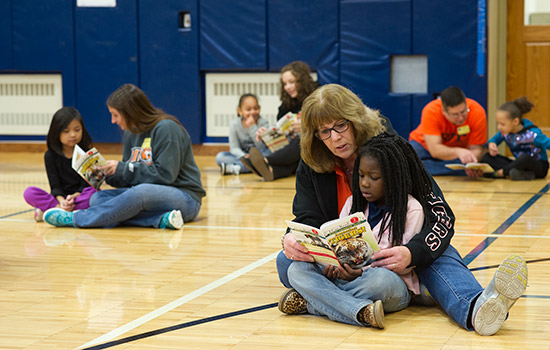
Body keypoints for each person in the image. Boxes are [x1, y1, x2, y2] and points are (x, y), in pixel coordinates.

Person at [277, 84, 528, 336]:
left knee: (433, 253)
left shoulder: (391, 151)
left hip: (395, 258)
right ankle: (358, 308)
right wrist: (291, 239)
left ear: (355, 119)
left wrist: (412, 252)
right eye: (324, 131)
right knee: (286, 261)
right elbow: (306, 218)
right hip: (343, 266)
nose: (335, 138)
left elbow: (440, 216)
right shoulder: (313, 161)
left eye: (341, 125)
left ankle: (475, 308)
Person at [280, 133, 432, 328]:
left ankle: (312, 303)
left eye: (373, 177)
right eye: (360, 175)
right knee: (297, 270)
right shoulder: (353, 203)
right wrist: (334, 265)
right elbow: (338, 245)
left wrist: (358, 273)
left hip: (388, 284)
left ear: (393, 179)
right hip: (348, 280)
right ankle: (360, 311)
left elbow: (400, 265)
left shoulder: (412, 209)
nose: (364, 183)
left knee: (379, 281)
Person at [43, 83, 206, 229]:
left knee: (142, 192)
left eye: (115, 115)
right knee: (98, 199)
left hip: (185, 198)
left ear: (130, 112)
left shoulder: (166, 129)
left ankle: (77, 219)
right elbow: (131, 178)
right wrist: (106, 175)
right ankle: (159, 219)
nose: (113, 121)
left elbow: (165, 176)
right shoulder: (130, 134)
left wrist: (122, 168)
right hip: (150, 199)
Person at [246, 61, 320, 181]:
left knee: (304, 140)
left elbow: (328, 121)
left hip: (316, 143)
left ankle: (266, 160)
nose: (287, 87)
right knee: (296, 151)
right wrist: (266, 134)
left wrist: (307, 127)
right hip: (295, 151)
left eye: (291, 82)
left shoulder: (318, 94)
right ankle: (272, 171)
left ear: (302, 80)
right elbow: (279, 130)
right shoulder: (286, 105)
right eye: (285, 84)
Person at [23, 107, 97, 222]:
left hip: (80, 196)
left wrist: (75, 196)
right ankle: (63, 209)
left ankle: (55, 212)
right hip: (60, 198)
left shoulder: (87, 153)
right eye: (66, 131)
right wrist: (62, 201)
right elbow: (55, 186)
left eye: (77, 130)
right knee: (29, 193)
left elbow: (87, 185)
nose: (73, 135)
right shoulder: (50, 156)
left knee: (95, 194)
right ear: (56, 132)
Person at [409, 86, 488, 177]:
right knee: (406, 159)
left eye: (463, 112)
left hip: (461, 154)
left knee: (483, 155)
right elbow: (435, 151)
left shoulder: (477, 111)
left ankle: (422, 169)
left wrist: (470, 164)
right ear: (444, 111)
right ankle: (455, 170)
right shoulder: (431, 110)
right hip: (424, 146)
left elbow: (477, 150)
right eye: (455, 115)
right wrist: (458, 152)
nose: (461, 118)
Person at [482, 96, 550, 180]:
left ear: (515, 121)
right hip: (518, 164)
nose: (499, 127)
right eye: (498, 123)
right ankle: (521, 174)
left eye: (502, 124)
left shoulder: (533, 134)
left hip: (538, 166)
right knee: (486, 157)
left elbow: (548, 143)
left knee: (524, 158)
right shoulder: (506, 133)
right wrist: (492, 144)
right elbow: (494, 139)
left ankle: (501, 173)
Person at [215, 93, 271, 176]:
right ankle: (255, 168)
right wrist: (243, 155)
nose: (252, 112)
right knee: (220, 157)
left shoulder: (263, 123)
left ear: (259, 109)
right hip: (243, 156)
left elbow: (261, 147)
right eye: (248, 109)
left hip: (259, 155)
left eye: (255, 108)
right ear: (240, 111)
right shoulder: (234, 124)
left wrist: (252, 127)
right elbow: (234, 148)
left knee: (270, 154)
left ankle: (236, 168)